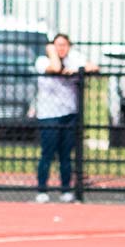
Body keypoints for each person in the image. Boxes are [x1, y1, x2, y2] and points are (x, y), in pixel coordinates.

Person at [33, 31, 86, 202]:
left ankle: (66, 189)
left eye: (64, 45)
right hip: (49, 115)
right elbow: (55, 68)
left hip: (69, 113)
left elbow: (94, 67)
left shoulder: (74, 60)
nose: (61, 49)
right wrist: (51, 52)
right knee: (47, 154)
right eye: (57, 45)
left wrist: (77, 70)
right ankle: (42, 189)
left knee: (66, 155)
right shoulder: (42, 61)